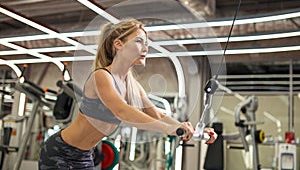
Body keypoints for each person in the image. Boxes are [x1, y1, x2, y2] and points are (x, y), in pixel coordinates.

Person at [38, 18, 217, 169]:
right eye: (139, 41)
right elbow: (121, 111)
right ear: (118, 44)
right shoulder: (102, 76)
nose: (145, 47)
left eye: (146, 43)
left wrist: (192, 130)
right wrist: (170, 129)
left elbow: (157, 114)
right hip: (60, 152)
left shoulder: (132, 85)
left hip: (85, 156)